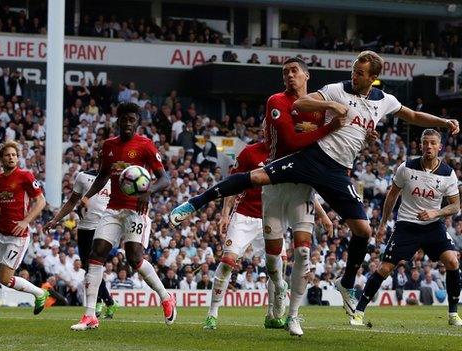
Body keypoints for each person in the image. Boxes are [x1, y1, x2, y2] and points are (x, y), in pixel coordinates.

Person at [170, 50, 460, 318]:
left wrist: (444, 122)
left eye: (360, 73)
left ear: (372, 77)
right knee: (256, 176)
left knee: (363, 230)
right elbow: (302, 102)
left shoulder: (384, 100)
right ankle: (195, 202)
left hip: (337, 173)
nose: (354, 75)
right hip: (312, 158)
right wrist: (331, 103)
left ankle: (346, 283)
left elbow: (412, 115)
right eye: (353, 70)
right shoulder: (336, 89)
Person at [70, 103, 174, 331]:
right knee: (95, 255)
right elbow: (103, 175)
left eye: (132, 119)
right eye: (124, 119)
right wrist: (86, 198)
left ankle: (165, 296)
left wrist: (149, 191)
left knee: (134, 259)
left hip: (136, 211)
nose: (128, 123)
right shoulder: (108, 146)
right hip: (113, 209)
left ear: (137, 121)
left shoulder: (145, 146)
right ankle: (89, 315)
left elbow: (165, 179)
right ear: (118, 121)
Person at [259, 57, 338, 336]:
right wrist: (324, 130)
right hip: (274, 182)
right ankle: (278, 285)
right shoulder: (276, 101)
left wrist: (365, 134)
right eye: (285, 72)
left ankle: (293, 315)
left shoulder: (319, 106)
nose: (289, 76)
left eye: (294, 71)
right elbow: (292, 142)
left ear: (307, 75)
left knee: (303, 252)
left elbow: (337, 139)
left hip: (302, 187)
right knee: (272, 258)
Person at [351, 129, 461, 327]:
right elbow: (392, 196)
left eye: (433, 143)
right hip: (406, 226)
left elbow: (455, 205)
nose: (429, 146)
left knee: (452, 262)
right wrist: (383, 224)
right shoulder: (406, 167)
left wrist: (435, 213)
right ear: (420, 145)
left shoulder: (448, 173)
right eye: (425, 142)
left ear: (439, 147)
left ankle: (453, 314)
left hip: (432, 225)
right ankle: (358, 312)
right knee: (384, 268)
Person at [203, 141, 285, 330]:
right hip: (245, 217)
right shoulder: (249, 153)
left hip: (273, 217)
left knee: (278, 268)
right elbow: (231, 184)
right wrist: (224, 214)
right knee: (227, 262)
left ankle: (272, 315)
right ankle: (212, 314)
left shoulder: (286, 152)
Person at [0, 140, 49, 321]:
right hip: (1, 233)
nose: (11, 158)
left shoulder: (26, 176)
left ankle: (40, 293)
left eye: (14, 155)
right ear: (1, 158)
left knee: (5, 278)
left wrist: (25, 221)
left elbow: (41, 202)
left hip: (18, 236)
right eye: (7, 155)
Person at [46, 146, 118, 319]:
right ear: (99, 157)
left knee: (95, 265)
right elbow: (72, 201)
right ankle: (103, 300)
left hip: (103, 227)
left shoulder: (115, 180)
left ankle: (106, 302)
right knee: (88, 268)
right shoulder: (83, 177)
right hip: (84, 227)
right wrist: (56, 219)